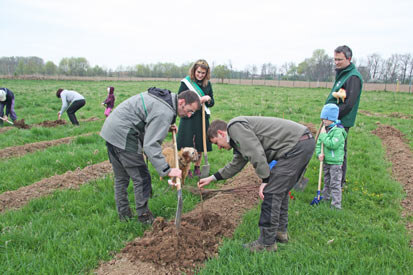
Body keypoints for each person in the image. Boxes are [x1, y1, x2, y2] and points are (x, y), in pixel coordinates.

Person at [198, 116, 315, 252]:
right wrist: (212, 178)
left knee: (271, 192)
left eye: (217, 143)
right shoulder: (238, 137)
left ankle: (266, 244)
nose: (219, 148)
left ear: (221, 133)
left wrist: (265, 180)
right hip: (301, 143)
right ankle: (279, 233)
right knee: (279, 192)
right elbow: (236, 164)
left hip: (296, 146)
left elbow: (255, 153)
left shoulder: (235, 128)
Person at [100, 87, 200, 224]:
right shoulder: (164, 112)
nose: (189, 115)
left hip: (111, 130)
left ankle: (124, 217)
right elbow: (150, 145)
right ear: (181, 101)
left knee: (121, 178)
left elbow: (150, 117)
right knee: (142, 178)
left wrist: (166, 126)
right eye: (189, 110)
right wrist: (167, 170)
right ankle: (144, 218)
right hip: (124, 134)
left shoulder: (166, 99)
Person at [325, 45, 363, 187]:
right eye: (335, 59)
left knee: (338, 151)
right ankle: (330, 179)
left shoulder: (353, 77)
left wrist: (331, 117)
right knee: (330, 149)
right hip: (332, 120)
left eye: (340, 59)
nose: (336, 62)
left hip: (340, 122)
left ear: (349, 58)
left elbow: (349, 103)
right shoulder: (342, 73)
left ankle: (338, 182)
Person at [177, 59, 215, 177]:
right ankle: (186, 168)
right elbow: (180, 99)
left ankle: (197, 167)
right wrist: (198, 100)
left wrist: (208, 99)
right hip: (188, 117)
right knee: (187, 142)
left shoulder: (207, 84)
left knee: (200, 142)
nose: (200, 75)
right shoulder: (186, 83)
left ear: (206, 73)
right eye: (198, 72)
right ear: (194, 71)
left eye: (203, 73)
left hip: (201, 117)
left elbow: (212, 102)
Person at [316, 104, 347, 210]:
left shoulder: (338, 131)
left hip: (335, 162)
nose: (323, 121)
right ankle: (325, 198)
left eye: (326, 118)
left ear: (332, 119)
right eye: (322, 118)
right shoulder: (325, 129)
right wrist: (318, 154)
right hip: (326, 161)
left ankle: (336, 205)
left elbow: (332, 144)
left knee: (335, 183)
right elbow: (319, 144)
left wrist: (323, 135)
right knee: (327, 181)